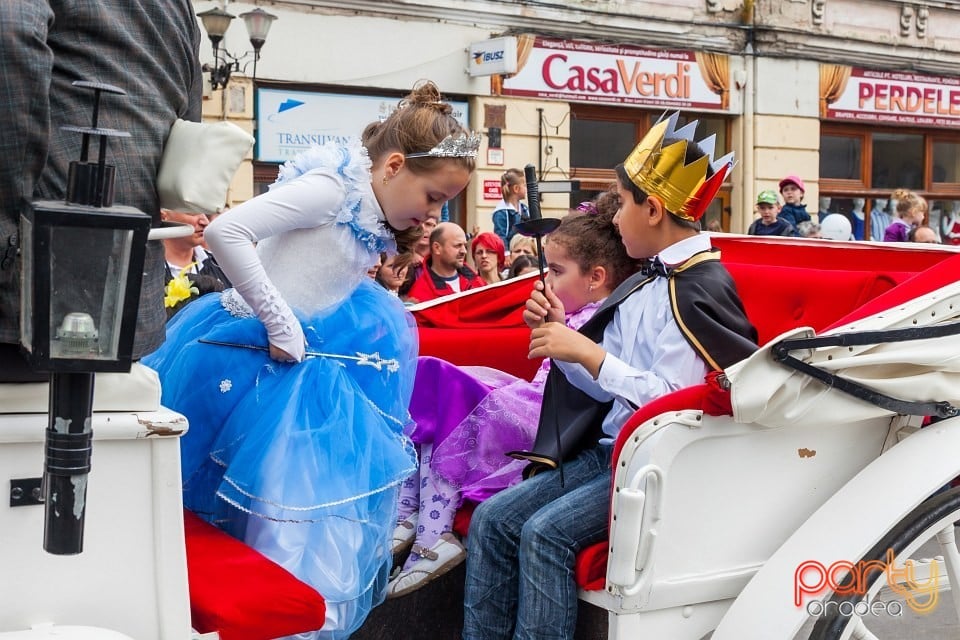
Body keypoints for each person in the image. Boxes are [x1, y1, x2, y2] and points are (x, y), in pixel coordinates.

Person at [143, 81, 477, 639]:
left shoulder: (368, 201)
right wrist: (280, 319)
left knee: (304, 518)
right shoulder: (331, 188)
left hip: (313, 364)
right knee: (271, 514)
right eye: (433, 198)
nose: (433, 214)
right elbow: (229, 232)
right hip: (252, 359)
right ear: (394, 165)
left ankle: (293, 618)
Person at [462, 113, 758, 640]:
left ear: (653, 208)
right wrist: (564, 343)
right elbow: (603, 391)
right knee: (493, 520)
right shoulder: (644, 283)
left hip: (656, 467)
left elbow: (676, 402)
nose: (614, 220)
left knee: (545, 535)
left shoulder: (699, 286)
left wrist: (590, 355)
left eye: (621, 203)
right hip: (608, 453)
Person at [389, 199, 639, 598]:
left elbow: (590, 384)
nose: (548, 281)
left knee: (455, 395)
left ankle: (434, 534)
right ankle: (410, 512)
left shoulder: (611, 318)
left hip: (553, 419)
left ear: (595, 277)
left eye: (557, 271)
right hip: (532, 400)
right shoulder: (569, 310)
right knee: (433, 379)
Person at [0, 0, 202, 381]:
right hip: (127, 312)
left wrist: (6, 234)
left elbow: (10, 32)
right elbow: (188, 134)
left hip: (29, 299)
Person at [160, 209, 231, 302]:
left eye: (205, 213)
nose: (205, 221)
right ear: (163, 216)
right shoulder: (144, 271)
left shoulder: (221, 264)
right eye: (193, 212)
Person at [404, 222, 485, 303]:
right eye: (457, 245)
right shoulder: (419, 295)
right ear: (437, 248)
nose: (464, 251)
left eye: (464, 245)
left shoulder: (478, 282)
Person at [491, 168, 529, 248]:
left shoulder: (524, 209)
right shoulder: (501, 212)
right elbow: (501, 236)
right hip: (510, 254)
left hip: (524, 250)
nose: (526, 189)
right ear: (516, 189)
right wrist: (506, 253)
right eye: (525, 185)